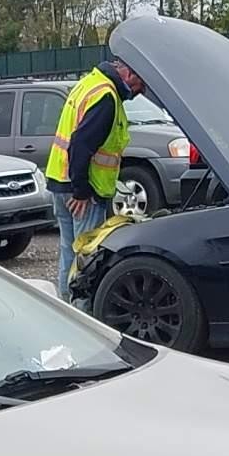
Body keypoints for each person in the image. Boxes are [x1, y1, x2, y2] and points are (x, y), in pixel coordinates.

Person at [44, 56, 148, 298]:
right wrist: (81, 190)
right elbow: (80, 144)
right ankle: (81, 316)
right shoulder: (107, 97)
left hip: (61, 182)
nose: (139, 92)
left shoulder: (90, 83)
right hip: (84, 192)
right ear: (129, 74)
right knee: (86, 258)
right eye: (139, 85)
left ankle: (66, 309)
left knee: (70, 254)